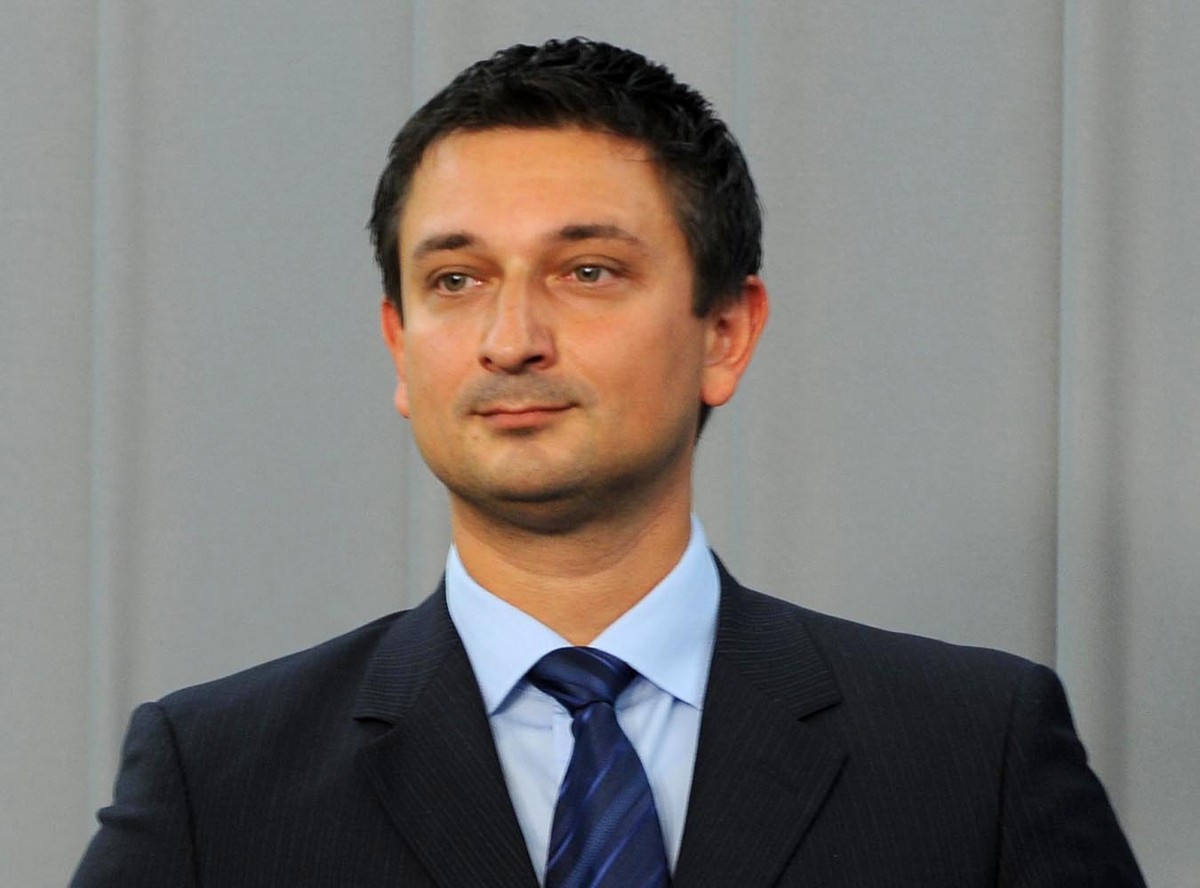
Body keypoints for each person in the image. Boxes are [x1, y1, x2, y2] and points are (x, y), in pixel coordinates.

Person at [72, 37, 1145, 887]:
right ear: (399, 347)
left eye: (586, 271)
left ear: (726, 332)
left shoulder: (973, 753)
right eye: (456, 281)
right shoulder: (217, 780)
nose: (510, 341)